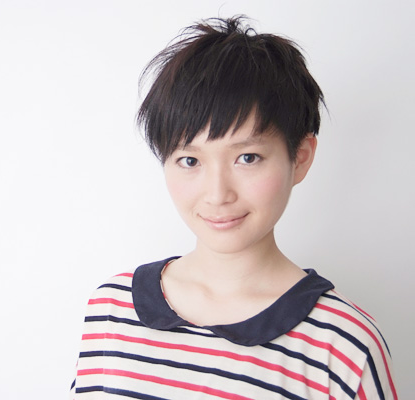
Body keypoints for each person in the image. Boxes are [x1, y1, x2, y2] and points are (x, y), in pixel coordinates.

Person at [69, 16, 397, 399]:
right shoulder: (112, 308)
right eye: (190, 160)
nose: (217, 194)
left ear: (301, 157)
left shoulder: (344, 346)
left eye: (248, 158)